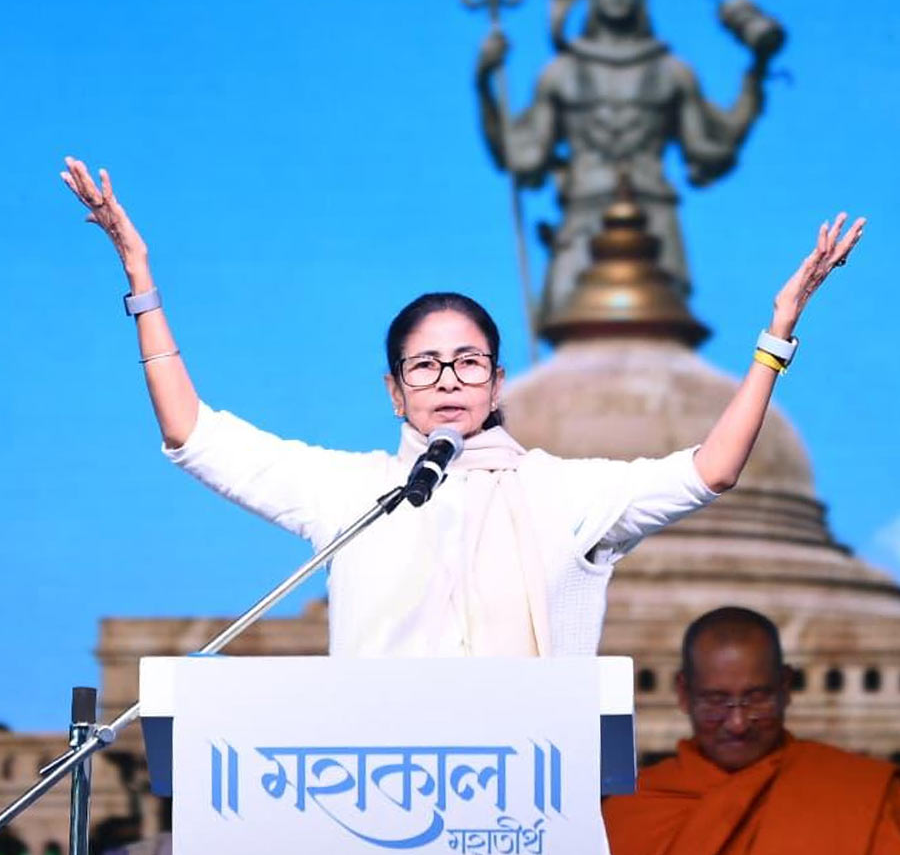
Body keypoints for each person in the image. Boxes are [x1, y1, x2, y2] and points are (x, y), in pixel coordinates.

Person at [60, 157, 863, 658]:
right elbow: (190, 432)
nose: (448, 378)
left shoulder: (560, 493)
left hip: (521, 803)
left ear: (497, 381)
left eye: (468, 361)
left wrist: (775, 339)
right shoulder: (350, 495)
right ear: (394, 388)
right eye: (426, 364)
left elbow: (711, 471)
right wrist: (142, 284)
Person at [476, 0, 778, 319]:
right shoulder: (560, 73)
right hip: (583, 220)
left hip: (655, 220)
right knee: (571, 332)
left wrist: (756, 74)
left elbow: (708, 151)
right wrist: (485, 84)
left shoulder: (672, 73)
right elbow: (523, 157)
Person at [602, 607, 900, 854]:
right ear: (684, 693)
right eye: (716, 701)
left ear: (785, 687)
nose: (738, 723)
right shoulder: (632, 812)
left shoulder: (862, 795)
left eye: (757, 698)